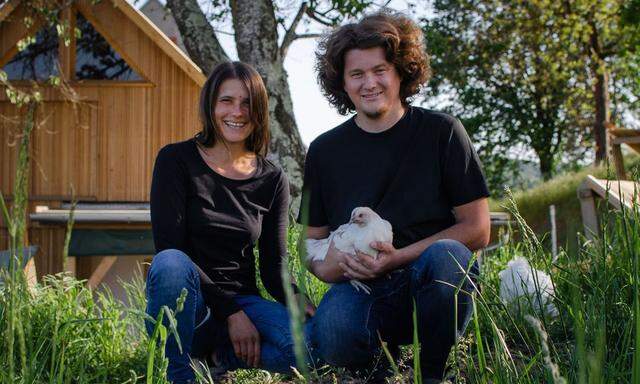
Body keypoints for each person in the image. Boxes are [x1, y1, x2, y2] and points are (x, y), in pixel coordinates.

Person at [300, 12, 491, 383]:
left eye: (380, 70)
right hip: (363, 284)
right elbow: (310, 242)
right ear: (342, 83)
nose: (369, 83)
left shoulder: (443, 132)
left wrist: (396, 259)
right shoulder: (324, 151)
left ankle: (432, 370)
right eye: (357, 74)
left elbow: (478, 228)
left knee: (449, 257)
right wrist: (326, 267)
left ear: (402, 71)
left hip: (429, 277)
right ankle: (378, 367)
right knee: (333, 334)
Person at [147, 61, 313, 384]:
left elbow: (273, 265)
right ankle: (180, 374)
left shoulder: (273, 179)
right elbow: (170, 247)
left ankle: (217, 357)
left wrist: (299, 300)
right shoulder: (175, 160)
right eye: (227, 100)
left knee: (311, 345)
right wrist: (230, 314)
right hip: (191, 303)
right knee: (169, 263)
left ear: (259, 111)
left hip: (244, 300)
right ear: (211, 104)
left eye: (247, 103)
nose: (237, 111)